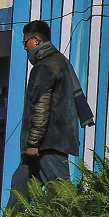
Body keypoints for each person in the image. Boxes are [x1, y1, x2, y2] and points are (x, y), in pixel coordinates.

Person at [21, 20, 82, 185]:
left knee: (61, 192)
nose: (25, 47)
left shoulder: (45, 65)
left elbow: (41, 106)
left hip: (47, 145)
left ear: (36, 40)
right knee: (19, 188)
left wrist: (33, 143)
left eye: (25, 42)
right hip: (45, 145)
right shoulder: (59, 62)